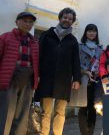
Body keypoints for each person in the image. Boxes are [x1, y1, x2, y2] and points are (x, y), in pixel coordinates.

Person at [38, 7, 81, 135]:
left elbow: (75, 61)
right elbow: (39, 56)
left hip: (64, 80)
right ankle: (44, 133)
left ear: (72, 22)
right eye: (65, 17)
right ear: (60, 18)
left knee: (60, 112)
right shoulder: (46, 35)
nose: (67, 20)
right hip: (46, 78)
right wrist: (38, 74)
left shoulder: (72, 40)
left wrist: (77, 79)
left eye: (70, 19)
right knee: (45, 111)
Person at [0, 12, 39, 135]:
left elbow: (36, 63)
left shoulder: (34, 42)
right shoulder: (5, 37)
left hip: (28, 79)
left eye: (30, 22)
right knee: (6, 112)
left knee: (22, 112)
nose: (28, 24)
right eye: (25, 21)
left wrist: (36, 78)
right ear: (17, 22)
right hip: (9, 78)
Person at [78, 24, 103, 135]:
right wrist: (85, 71)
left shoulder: (100, 48)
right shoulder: (79, 46)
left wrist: (99, 71)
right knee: (83, 106)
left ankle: (91, 131)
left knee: (93, 107)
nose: (92, 33)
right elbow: (75, 63)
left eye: (94, 31)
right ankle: (84, 132)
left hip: (96, 81)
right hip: (84, 79)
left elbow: (102, 64)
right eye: (89, 31)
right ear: (85, 33)